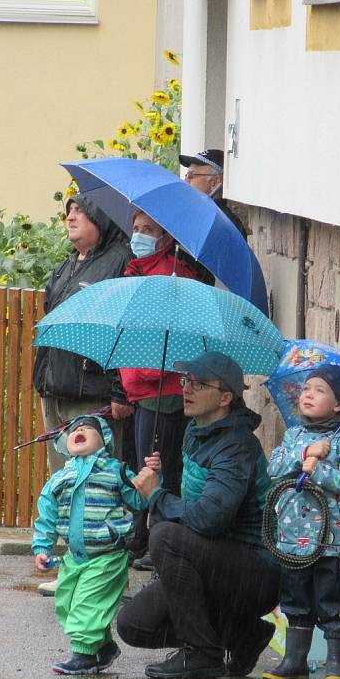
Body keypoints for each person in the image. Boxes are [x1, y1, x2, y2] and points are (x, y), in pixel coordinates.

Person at [116, 352, 281, 679]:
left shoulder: (236, 446)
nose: (186, 389)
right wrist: (158, 483)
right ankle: (242, 635)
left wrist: (158, 498)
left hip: (254, 573)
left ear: (225, 397)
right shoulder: (195, 431)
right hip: (212, 561)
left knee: (164, 537)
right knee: (132, 624)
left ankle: (202, 653)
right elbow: (194, 504)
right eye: (186, 381)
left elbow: (209, 518)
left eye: (199, 383)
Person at [32, 193, 134, 596]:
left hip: (91, 394)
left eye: (81, 211)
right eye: (69, 210)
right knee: (65, 484)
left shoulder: (119, 262)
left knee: (99, 490)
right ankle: (73, 569)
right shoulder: (67, 266)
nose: (71, 216)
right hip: (56, 388)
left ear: (102, 219)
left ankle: (104, 575)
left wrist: (121, 389)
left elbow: (126, 330)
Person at [262, 365, 340, 679]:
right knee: (295, 597)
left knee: (332, 596)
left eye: (319, 390)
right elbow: (275, 467)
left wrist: (320, 469)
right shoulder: (294, 435)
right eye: (306, 388)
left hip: (333, 540)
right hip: (294, 538)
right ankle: (294, 660)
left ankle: (335, 662)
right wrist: (305, 453)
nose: (308, 394)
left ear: (338, 404)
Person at [32, 414, 159, 674]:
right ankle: (103, 648)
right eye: (75, 429)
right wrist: (42, 548)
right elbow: (47, 514)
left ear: (104, 441)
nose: (79, 429)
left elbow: (138, 501)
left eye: (88, 428)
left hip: (107, 555)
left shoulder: (115, 471)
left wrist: (152, 478)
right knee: (66, 605)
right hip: (76, 557)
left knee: (88, 605)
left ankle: (84, 656)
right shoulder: (60, 478)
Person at [121, 209, 201, 570]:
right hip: (140, 388)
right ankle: (145, 538)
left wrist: (147, 370)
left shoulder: (173, 276)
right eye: (136, 229)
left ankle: (162, 542)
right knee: (145, 467)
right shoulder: (136, 270)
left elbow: (175, 341)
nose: (139, 235)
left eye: (148, 230)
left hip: (162, 390)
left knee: (161, 469)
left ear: (166, 237)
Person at [179, 148, 248, 238]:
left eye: (191, 176)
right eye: (186, 175)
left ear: (215, 182)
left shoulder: (223, 223)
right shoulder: (195, 214)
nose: (185, 181)